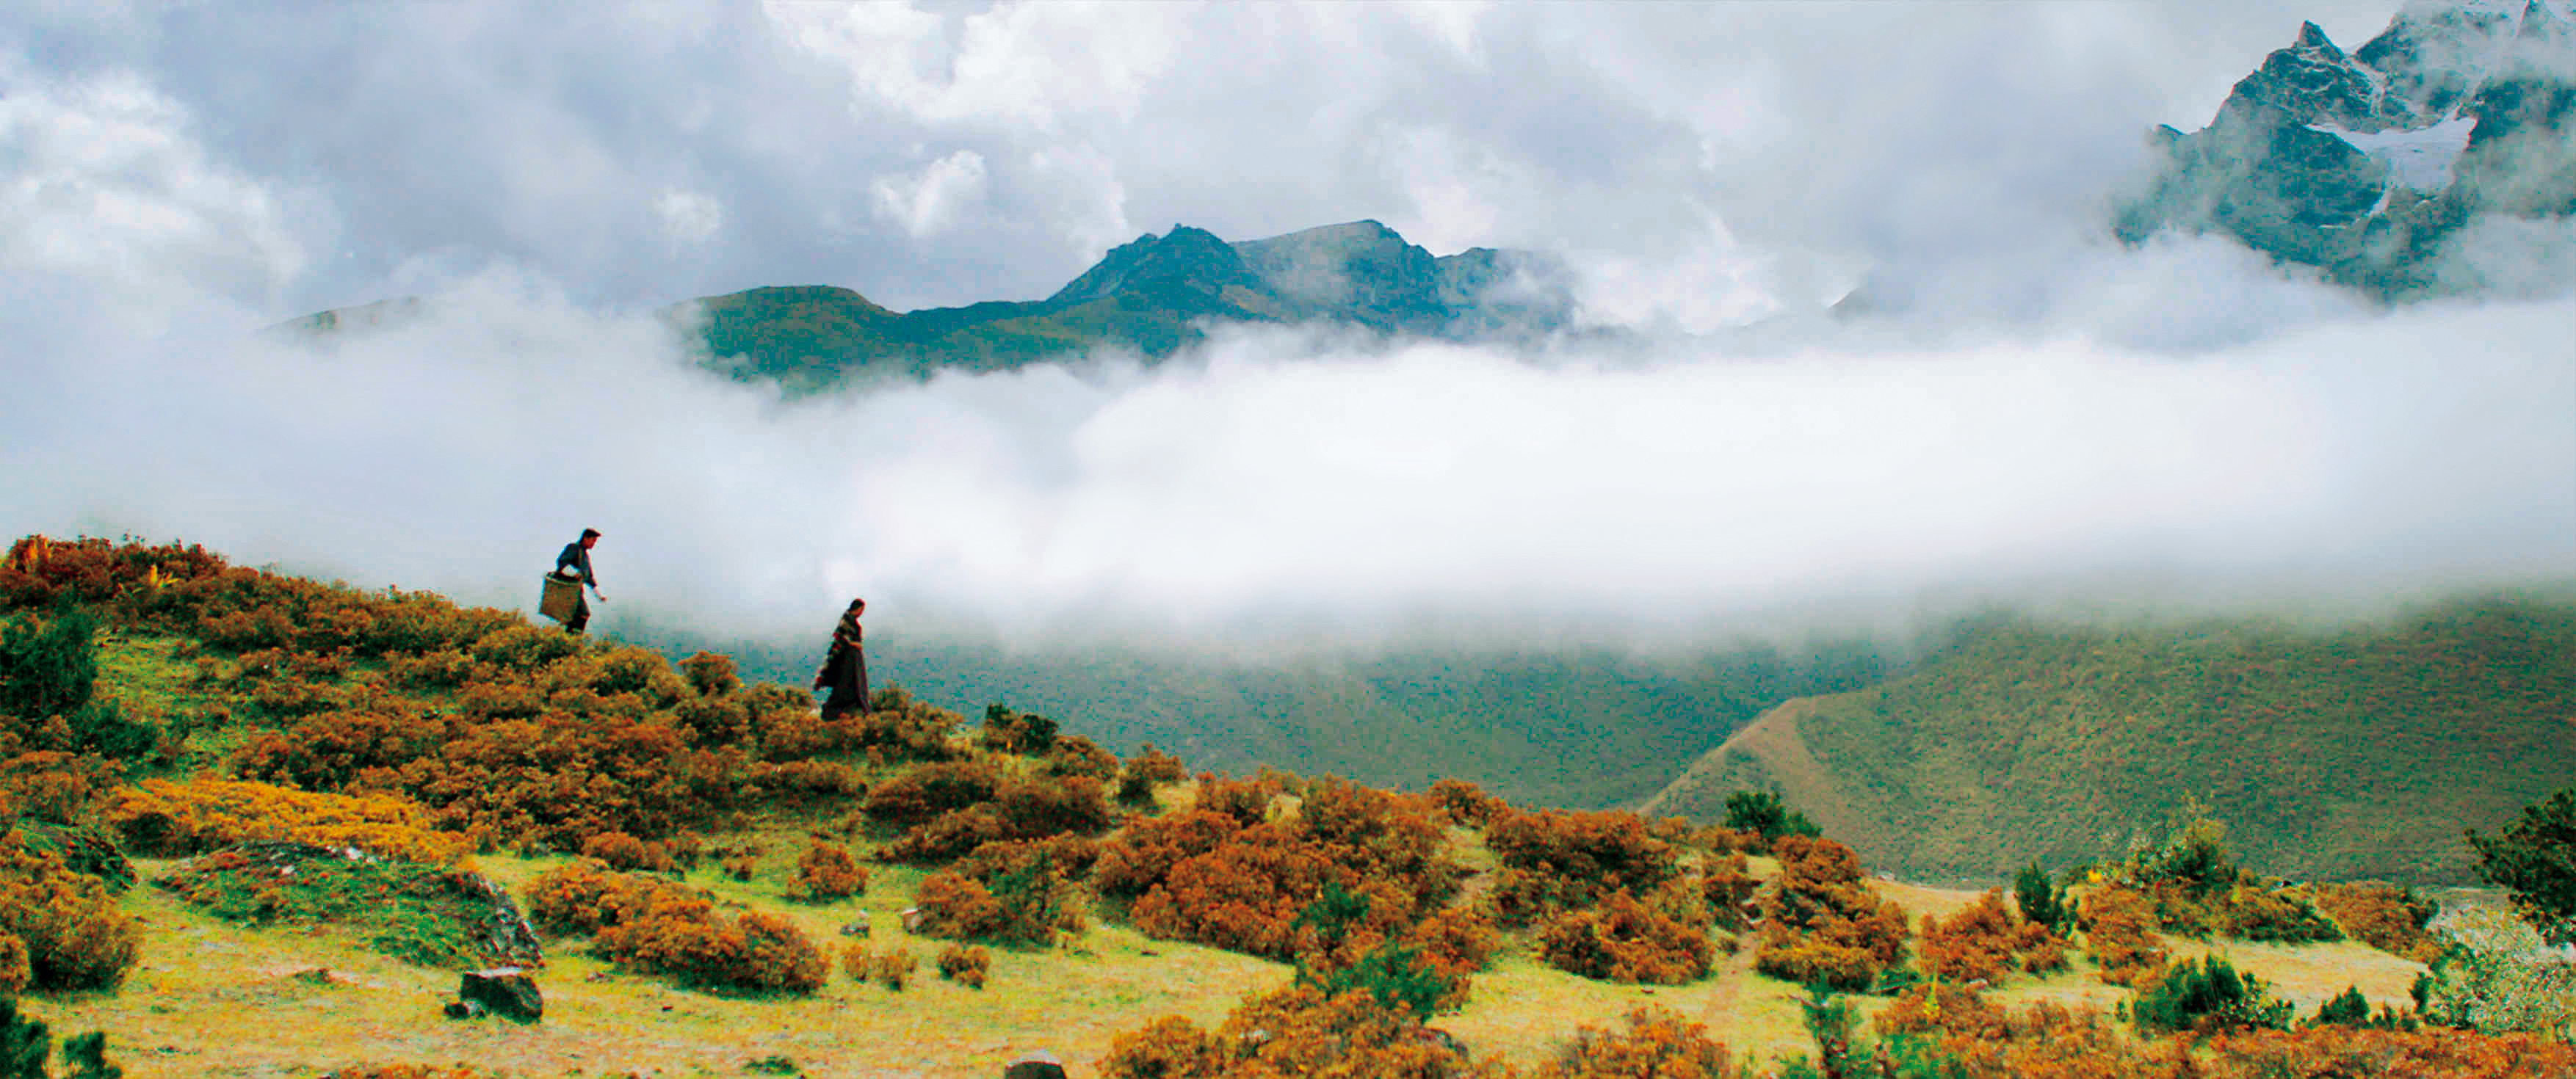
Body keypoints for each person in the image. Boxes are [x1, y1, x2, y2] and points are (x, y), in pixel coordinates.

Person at [813, 597, 869, 721]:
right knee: (844, 684)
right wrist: (855, 644)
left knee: (855, 684)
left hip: (854, 659)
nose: (862, 612)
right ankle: (833, 712)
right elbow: (843, 639)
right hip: (846, 659)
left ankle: (852, 710)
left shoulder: (854, 622)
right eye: (861, 610)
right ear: (857, 609)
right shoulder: (847, 621)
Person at [554, 528, 606, 633]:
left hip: (576, 591)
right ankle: (571, 640)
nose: (593, 544)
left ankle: (569, 641)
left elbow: (589, 577)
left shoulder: (585, 556)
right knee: (582, 614)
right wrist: (574, 573)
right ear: (586, 538)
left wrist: (599, 595)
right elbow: (562, 562)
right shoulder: (574, 548)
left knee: (579, 616)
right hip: (567, 588)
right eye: (593, 541)